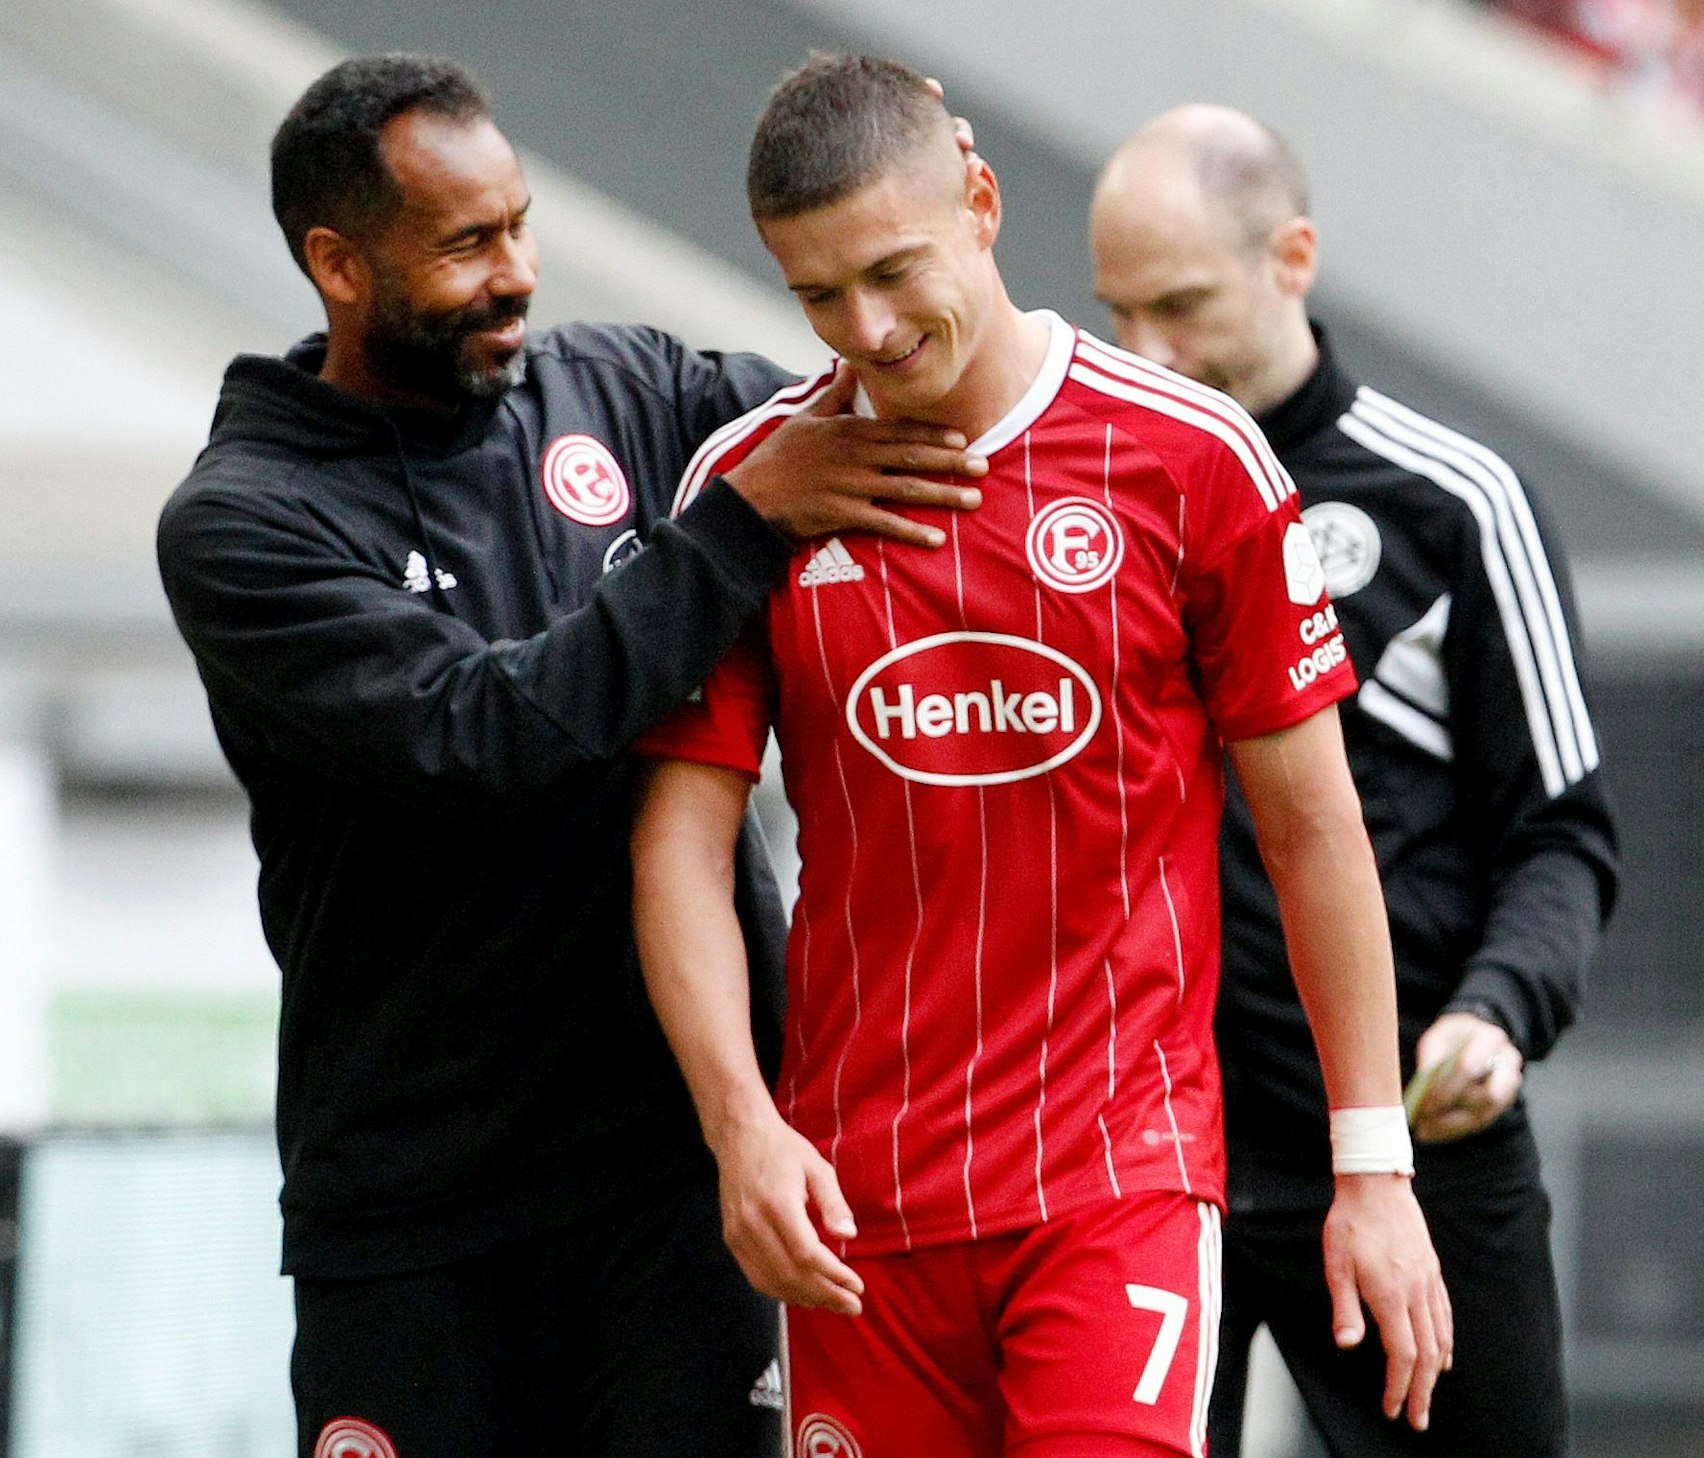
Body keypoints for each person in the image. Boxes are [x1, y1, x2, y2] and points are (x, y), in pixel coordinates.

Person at [155, 52, 992, 1458]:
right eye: (469, 244)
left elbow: (887, 417)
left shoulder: (632, 389)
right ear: (339, 265)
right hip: (417, 1211)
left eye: (522, 224)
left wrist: (929, 213)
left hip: (682, 1186)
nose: (519, 271)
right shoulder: (247, 523)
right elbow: (490, 736)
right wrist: (731, 526)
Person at [630, 54, 1450, 1458]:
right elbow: (681, 841)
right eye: (819, 295)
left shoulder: (1191, 459)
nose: (869, 329)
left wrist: (1371, 1165)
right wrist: (740, 1128)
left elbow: (1318, 830)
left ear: (984, 204)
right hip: (854, 1205)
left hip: (1112, 1180)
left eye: (895, 269)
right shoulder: (755, 488)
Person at [1090, 104, 1619, 1458]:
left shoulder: (1456, 502)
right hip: (1150, 1163)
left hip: (1411, 1147)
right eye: (1119, 311)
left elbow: (1562, 834)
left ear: (1295, 259)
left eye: (1185, 306)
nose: (1151, 354)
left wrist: (1498, 1013)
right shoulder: (1087, 493)